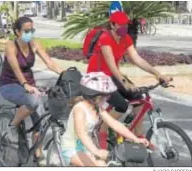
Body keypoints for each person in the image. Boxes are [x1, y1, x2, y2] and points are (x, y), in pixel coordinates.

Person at [86, 11, 172, 150]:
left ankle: (139, 135)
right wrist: (125, 82)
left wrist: (158, 74)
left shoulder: (125, 38)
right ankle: (102, 129)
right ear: (113, 25)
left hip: (113, 76)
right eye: (121, 25)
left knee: (139, 98)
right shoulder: (105, 38)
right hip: (98, 77)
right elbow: (112, 66)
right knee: (122, 105)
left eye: (126, 25)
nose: (124, 27)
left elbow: (136, 58)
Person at [0, 16, 64, 160]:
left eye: (32, 30)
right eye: (26, 30)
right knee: (34, 102)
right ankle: (12, 127)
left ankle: (38, 154)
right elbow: (15, 68)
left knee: (40, 119)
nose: (30, 33)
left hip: (29, 86)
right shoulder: (11, 45)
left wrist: (66, 74)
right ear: (17, 32)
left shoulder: (34, 44)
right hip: (10, 84)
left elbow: (50, 63)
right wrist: (25, 84)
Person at [60, 72, 149, 166]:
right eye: (105, 96)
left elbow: (114, 123)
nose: (108, 98)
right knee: (100, 165)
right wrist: (96, 151)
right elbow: (81, 134)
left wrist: (135, 138)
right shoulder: (80, 109)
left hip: (87, 146)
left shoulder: (98, 107)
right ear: (94, 96)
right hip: (72, 148)